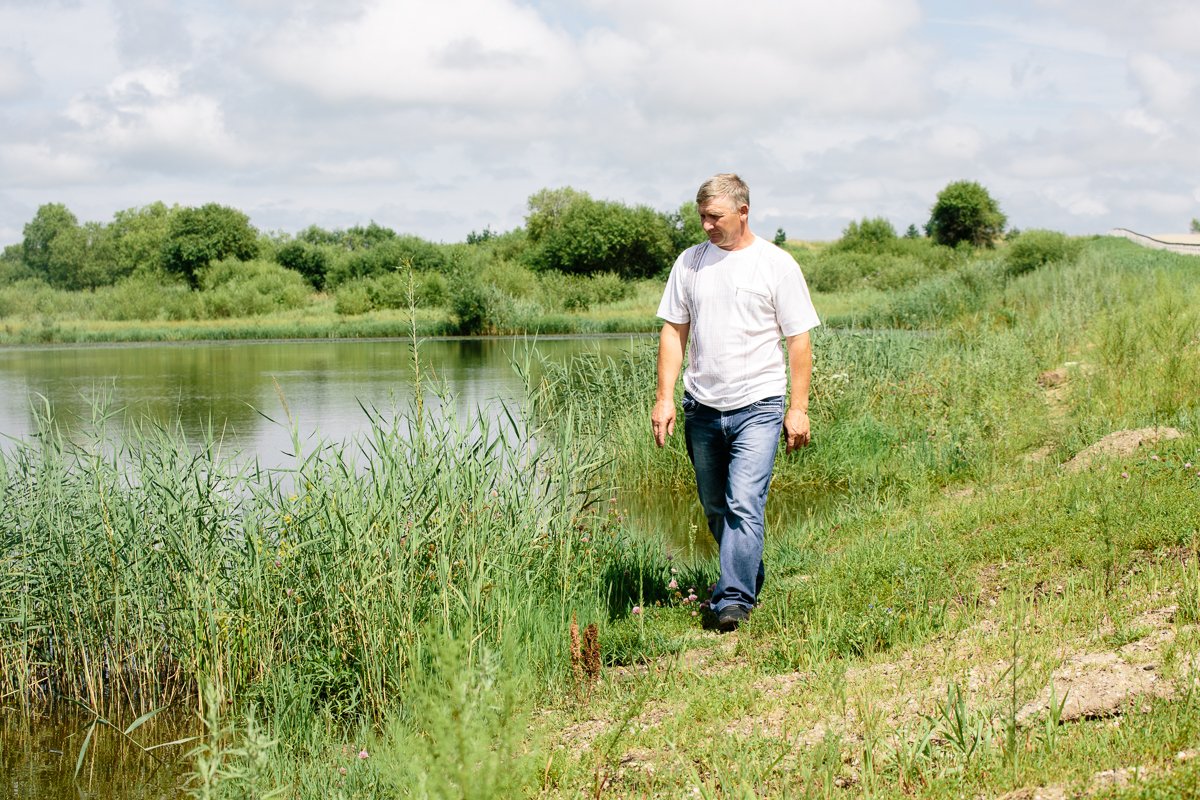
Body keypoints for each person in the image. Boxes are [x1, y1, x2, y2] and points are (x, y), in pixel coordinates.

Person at [651, 173, 820, 632]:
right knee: (715, 506)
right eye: (702, 216)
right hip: (701, 407)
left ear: (743, 212)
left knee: (744, 502)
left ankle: (732, 601)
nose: (706, 225)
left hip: (759, 405)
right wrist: (665, 397)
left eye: (715, 216)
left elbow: (798, 339)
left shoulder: (776, 264)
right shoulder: (689, 264)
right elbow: (674, 330)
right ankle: (747, 574)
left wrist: (798, 407)